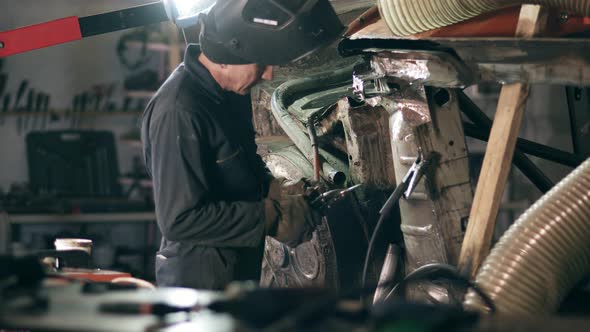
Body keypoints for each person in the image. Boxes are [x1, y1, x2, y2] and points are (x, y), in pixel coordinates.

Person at [141, 0, 344, 290]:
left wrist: (275, 189)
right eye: (260, 63)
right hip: (199, 283)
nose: (269, 74)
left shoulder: (230, 93)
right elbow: (180, 220)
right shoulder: (179, 112)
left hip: (236, 271)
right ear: (224, 59)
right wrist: (272, 217)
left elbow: (239, 163)